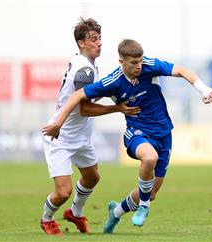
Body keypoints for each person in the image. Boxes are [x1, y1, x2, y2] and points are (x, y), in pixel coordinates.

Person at [42, 39, 212, 233]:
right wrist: (58, 123)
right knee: (149, 157)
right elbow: (77, 96)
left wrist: (204, 89)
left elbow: (181, 70)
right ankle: (144, 207)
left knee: (151, 192)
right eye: (134, 63)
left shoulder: (149, 66)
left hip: (163, 132)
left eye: (140, 61)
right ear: (122, 62)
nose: (139, 66)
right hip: (137, 132)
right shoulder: (113, 82)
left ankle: (116, 212)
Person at [40, 20, 140, 235]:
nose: (99, 43)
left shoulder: (86, 63)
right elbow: (85, 109)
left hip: (81, 137)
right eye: (93, 39)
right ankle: (46, 219)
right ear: (81, 43)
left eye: (100, 38)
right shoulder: (84, 69)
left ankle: (75, 213)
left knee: (93, 177)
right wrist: (117, 108)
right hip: (61, 137)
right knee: (63, 192)